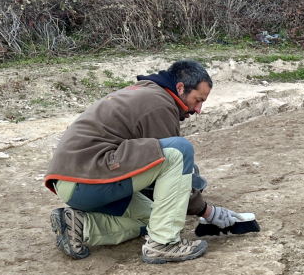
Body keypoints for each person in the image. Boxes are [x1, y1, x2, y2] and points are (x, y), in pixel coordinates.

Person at [45, 59, 250, 264]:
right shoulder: (160, 105)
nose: (198, 109)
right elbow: (173, 165)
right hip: (87, 180)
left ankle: (79, 225)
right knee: (180, 150)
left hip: (71, 181)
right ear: (180, 88)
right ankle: (163, 244)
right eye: (198, 100)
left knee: (155, 218)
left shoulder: (148, 92)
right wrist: (209, 212)